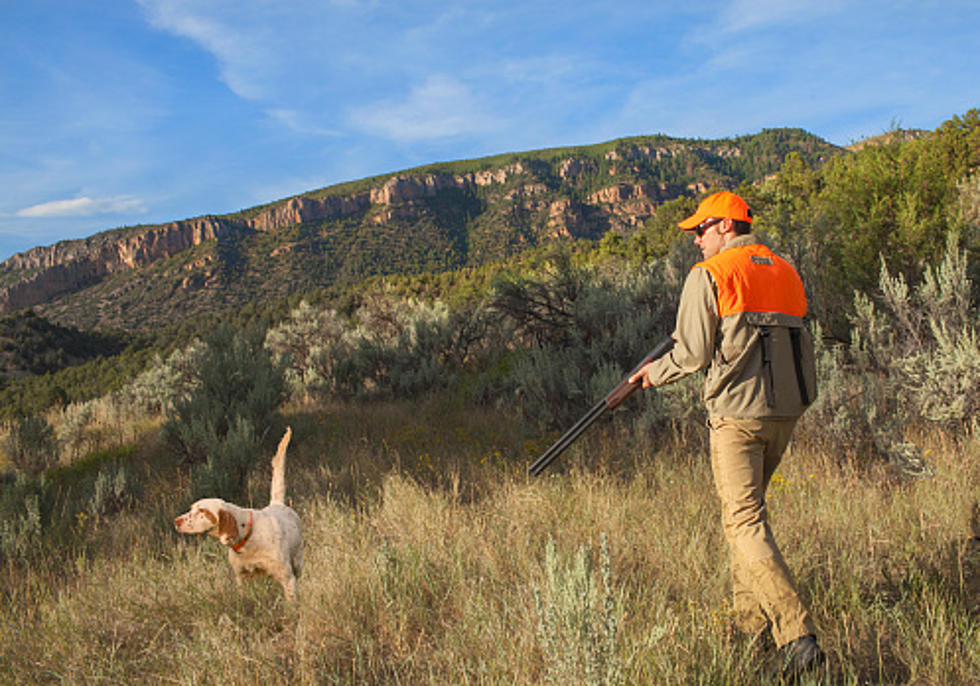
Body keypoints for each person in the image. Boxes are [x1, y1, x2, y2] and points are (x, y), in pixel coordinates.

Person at [628, 190, 825, 678]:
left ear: (726, 226)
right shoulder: (787, 269)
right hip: (785, 415)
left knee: (742, 523)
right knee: (746, 520)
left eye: (701, 229)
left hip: (738, 416)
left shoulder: (711, 275)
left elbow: (692, 355)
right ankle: (747, 631)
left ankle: (796, 636)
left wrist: (653, 374)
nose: (696, 240)